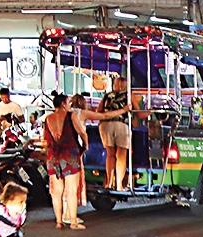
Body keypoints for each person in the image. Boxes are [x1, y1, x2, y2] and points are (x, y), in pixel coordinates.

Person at [41, 92, 87, 229]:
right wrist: (85, 145)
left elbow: (45, 139)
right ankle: (73, 222)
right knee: (71, 190)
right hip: (69, 154)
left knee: (57, 191)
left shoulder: (48, 119)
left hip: (53, 155)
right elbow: (81, 132)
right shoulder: (70, 116)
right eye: (68, 103)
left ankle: (59, 222)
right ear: (63, 104)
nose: (70, 106)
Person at [93, 86, 134, 191]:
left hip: (105, 125)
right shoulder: (128, 95)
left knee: (110, 154)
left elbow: (98, 110)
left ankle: (109, 183)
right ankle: (119, 185)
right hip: (121, 124)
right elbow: (139, 113)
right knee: (121, 155)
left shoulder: (107, 95)